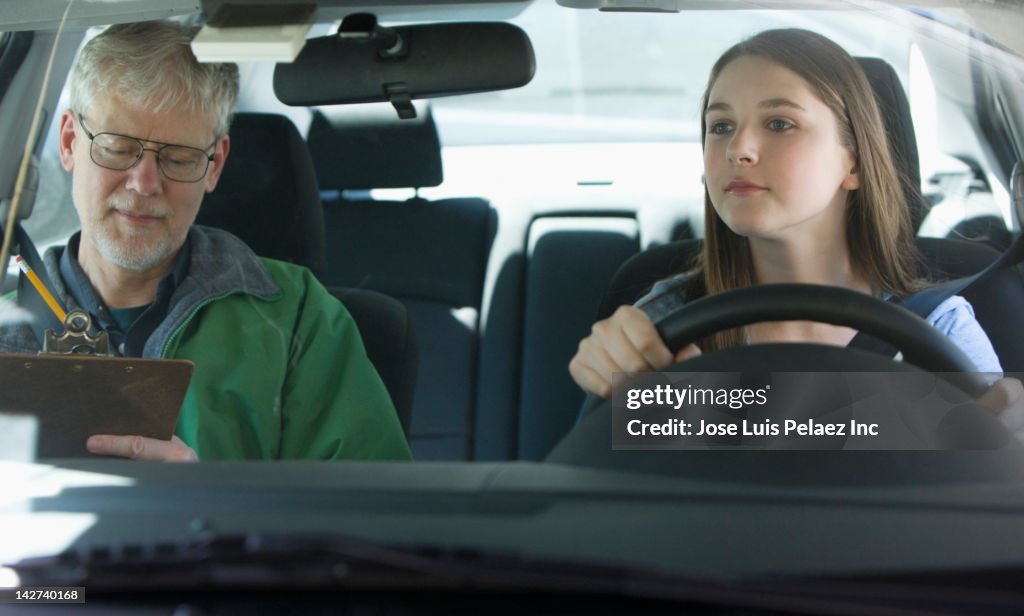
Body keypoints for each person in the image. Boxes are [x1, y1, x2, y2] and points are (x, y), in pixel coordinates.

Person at [569, 28, 1023, 435]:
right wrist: (614, 380)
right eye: (720, 126)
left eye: (780, 124)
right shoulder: (661, 326)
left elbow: (988, 504)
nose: (737, 149)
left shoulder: (937, 328)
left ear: (855, 163)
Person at [0, 21, 411, 462]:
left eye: (178, 158)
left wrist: (208, 501)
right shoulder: (9, 323)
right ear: (68, 142)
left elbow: (372, 517)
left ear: (215, 166)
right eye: (117, 148)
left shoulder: (299, 321)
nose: (144, 183)